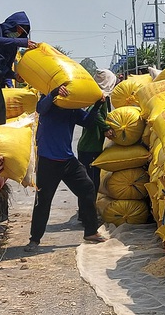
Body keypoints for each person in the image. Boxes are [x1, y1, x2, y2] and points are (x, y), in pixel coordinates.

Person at [26, 84, 108, 251]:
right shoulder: (47, 103)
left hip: (67, 160)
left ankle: (90, 231)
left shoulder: (72, 108)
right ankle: (34, 239)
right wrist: (54, 92)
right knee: (43, 201)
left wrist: (98, 105)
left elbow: (88, 123)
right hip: (48, 161)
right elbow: (40, 108)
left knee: (87, 188)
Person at [77, 69, 117, 212]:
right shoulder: (99, 98)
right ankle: (86, 213)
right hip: (89, 147)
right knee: (90, 182)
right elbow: (94, 114)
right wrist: (105, 127)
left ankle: (86, 211)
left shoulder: (97, 96)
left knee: (91, 181)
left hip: (90, 146)